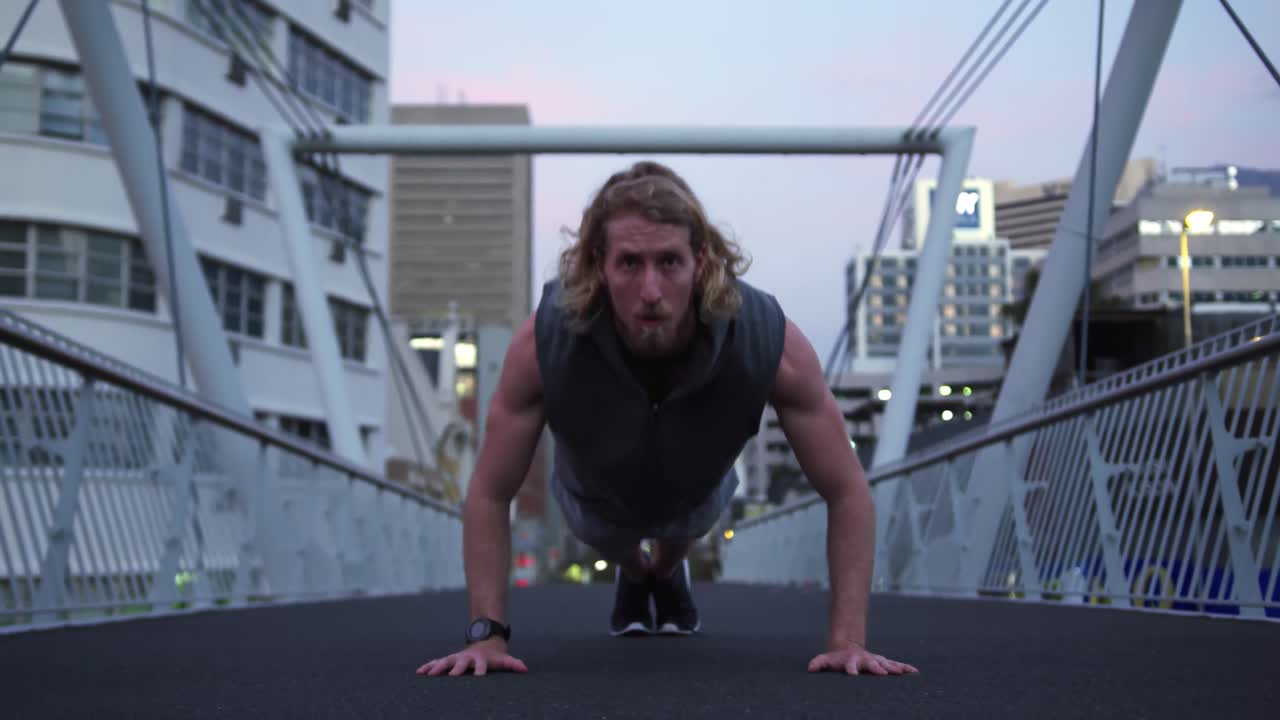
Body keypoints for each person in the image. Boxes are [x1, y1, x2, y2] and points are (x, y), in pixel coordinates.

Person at [417, 161, 917, 678]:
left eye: (669, 262)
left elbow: (847, 488)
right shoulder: (545, 342)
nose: (651, 290)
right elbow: (489, 491)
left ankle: (665, 568)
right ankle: (637, 572)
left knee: (691, 515)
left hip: (698, 489)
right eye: (630, 263)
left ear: (699, 261)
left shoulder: (767, 339)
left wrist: (848, 641)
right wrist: (487, 638)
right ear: (599, 265)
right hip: (594, 496)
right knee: (609, 534)